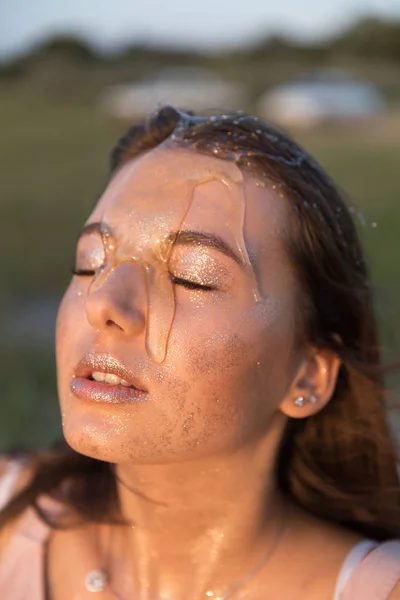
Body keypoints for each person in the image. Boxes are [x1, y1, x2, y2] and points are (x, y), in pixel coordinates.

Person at [0, 105, 399, 600]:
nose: (102, 301)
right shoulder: (9, 518)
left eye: (193, 276)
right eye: (90, 263)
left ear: (308, 376)